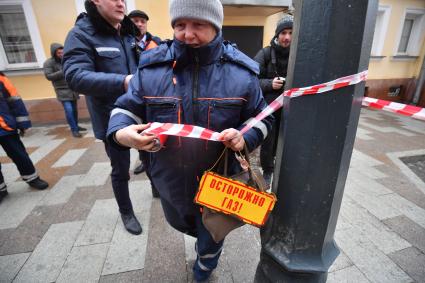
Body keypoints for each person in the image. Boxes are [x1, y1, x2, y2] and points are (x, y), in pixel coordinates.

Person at [106, 0, 273, 281]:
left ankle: (204, 268)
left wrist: (244, 135)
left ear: (215, 26)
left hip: (220, 180)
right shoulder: (151, 68)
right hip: (168, 178)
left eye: (198, 25)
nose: (187, 34)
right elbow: (126, 108)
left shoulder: (243, 72)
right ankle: (200, 243)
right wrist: (122, 133)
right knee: (181, 222)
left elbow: (263, 118)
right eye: (180, 25)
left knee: (211, 235)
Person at [62, 0, 142, 235]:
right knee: (120, 169)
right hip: (111, 119)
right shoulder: (81, 34)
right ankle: (126, 211)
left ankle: (157, 189)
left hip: (140, 110)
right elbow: (75, 76)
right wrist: (123, 81)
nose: (120, 3)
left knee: (150, 157)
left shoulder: (127, 31)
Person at [253, 15, 293, 186]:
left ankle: (283, 166)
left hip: (292, 106)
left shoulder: (299, 53)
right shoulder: (265, 53)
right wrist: (270, 84)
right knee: (269, 140)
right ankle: (268, 169)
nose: (287, 37)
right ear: (277, 34)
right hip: (269, 106)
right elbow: (252, 79)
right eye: (283, 32)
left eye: (291, 32)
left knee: (287, 138)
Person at [0, 72, 49, 203]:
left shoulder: (2, 79)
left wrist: (22, 123)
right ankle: (1, 189)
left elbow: (15, 101)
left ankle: (32, 178)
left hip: (5, 127)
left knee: (19, 154)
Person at [127, 9, 160, 179]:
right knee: (138, 132)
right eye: (135, 21)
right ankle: (143, 160)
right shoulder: (125, 43)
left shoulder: (156, 42)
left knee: (152, 131)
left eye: (142, 21)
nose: (139, 24)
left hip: (153, 95)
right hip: (133, 94)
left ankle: (154, 162)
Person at [43, 43, 86, 138]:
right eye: (59, 53)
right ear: (54, 53)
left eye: (62, 52)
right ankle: (74, 130)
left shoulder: (67, 59)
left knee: (74, 110)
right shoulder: (48, 63)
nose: (61, 54)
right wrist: (63, 71)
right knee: (69, 110)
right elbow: (48, 76)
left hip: (72, 88)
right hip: (61, 90)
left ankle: (76, 125)